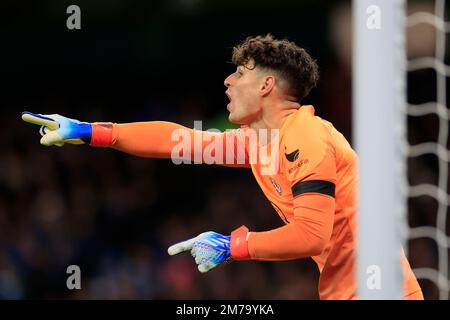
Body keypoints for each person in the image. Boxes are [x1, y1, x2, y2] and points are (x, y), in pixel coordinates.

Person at [22, 34, 423, 300]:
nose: (228, 82)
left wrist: (233, 245)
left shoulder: (307, 135)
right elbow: (177, 141)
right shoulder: (258, 142)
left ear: (267, 86)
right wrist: (91, 131)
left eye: (240, 73)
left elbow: (312, 235)